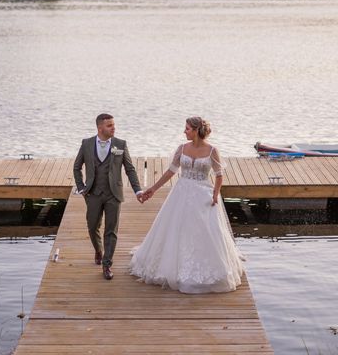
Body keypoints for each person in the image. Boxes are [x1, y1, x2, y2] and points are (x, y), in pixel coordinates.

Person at [129, 116, 244, 294]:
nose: (184, 131)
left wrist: (215, 194)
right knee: (176, 228)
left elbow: (219, 174)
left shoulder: (212, 150)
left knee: (203, 231)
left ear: (197, 130)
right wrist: (152, 189)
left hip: (203, 195)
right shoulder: (182, 148)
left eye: (188, 129)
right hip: (181, 193)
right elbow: (171, 172)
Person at [73, 113, 144, 280]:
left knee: (111, 231)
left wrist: (138, 190)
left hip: (114, 194)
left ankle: (107, 264)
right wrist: (82, 188)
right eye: (110, 125)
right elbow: (77, 167)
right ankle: (98, 250)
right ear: (100, 128)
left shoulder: (120, 144)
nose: (114, 127)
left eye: (114, 124)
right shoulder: (87, 144)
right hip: (93, 194)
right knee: (92, 227)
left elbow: (130, 169)